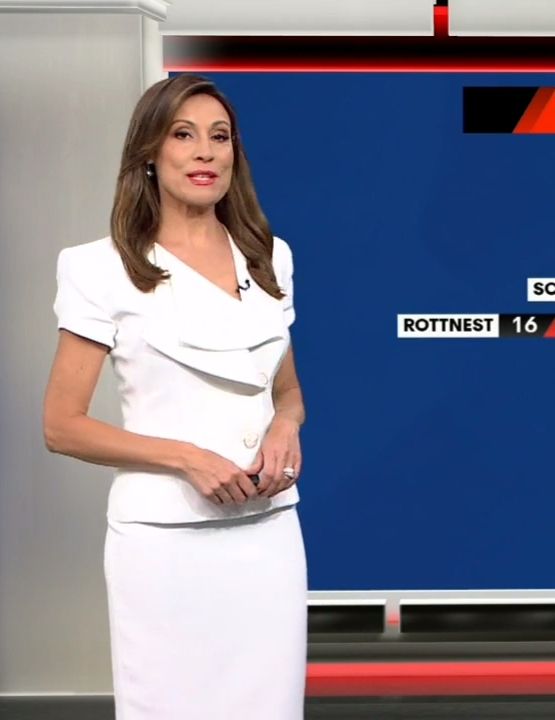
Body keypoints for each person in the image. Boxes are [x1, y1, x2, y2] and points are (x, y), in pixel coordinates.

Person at [43, 73, 308, 719]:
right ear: (149, 153)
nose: (204, 152)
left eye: (220, 136)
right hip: (163, 542)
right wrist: (188, 458)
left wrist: (285, 428)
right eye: (182, 135)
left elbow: (287, 391)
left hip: (268, 534)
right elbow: (62, 425)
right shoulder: (98, 267)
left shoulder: (269, 256)